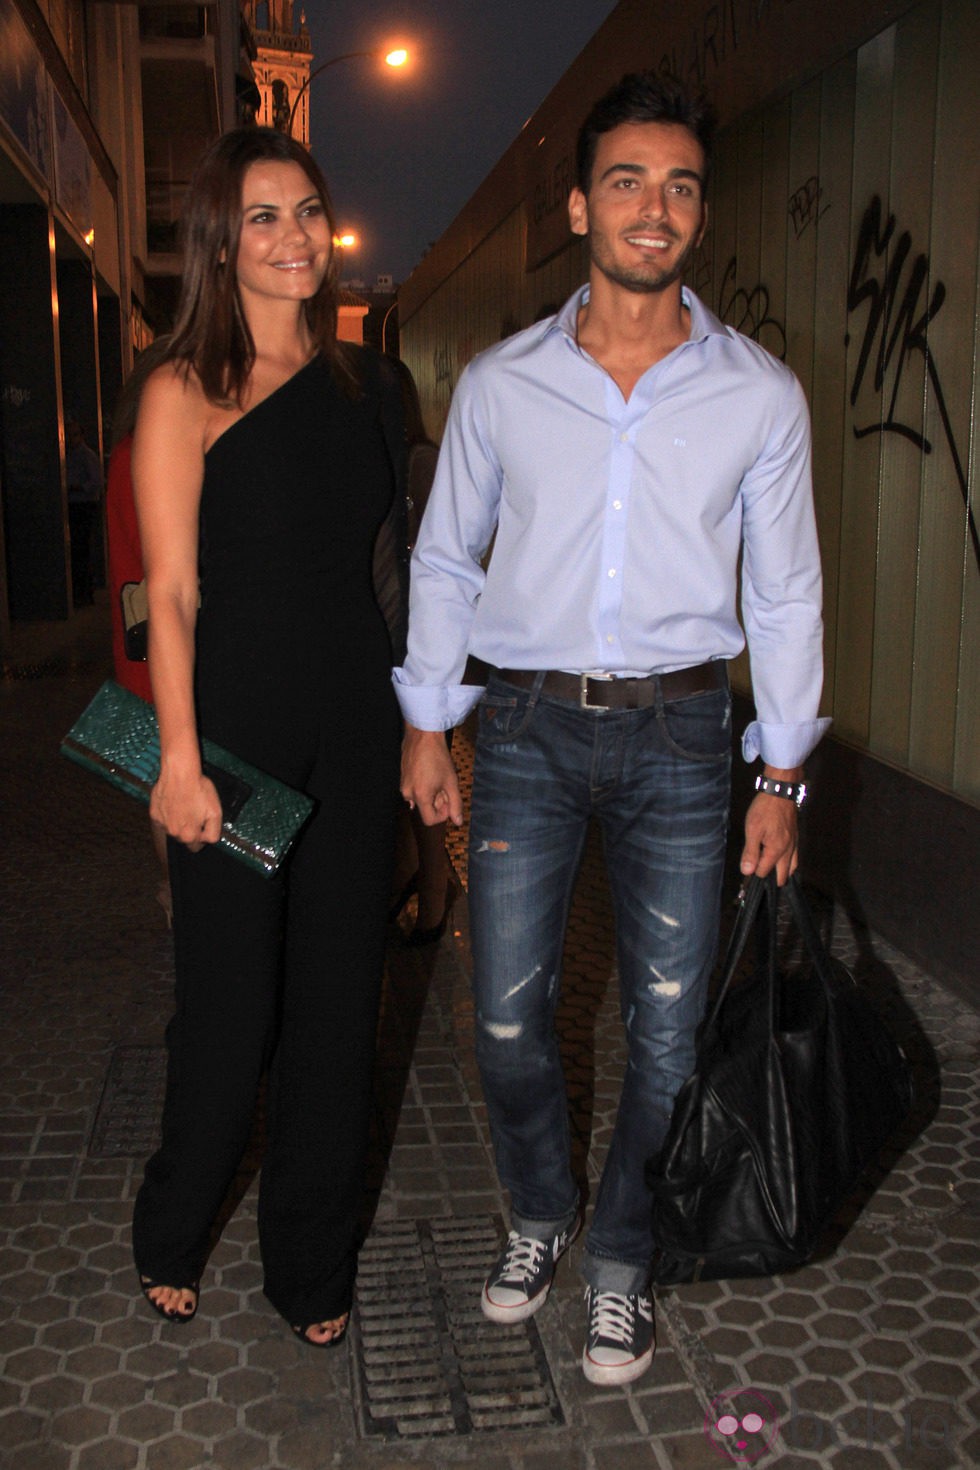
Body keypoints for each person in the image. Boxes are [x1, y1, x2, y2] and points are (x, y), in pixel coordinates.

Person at [396, 71, 830, 1387]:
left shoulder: (759, 395)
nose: (656, 207)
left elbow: (787, 586)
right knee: (510, 1018)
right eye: (629, 181)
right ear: (580, 204)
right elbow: (444, 561)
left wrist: (785, 775)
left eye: (681, 184)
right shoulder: (500, 384)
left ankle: (625, 1259)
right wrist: (430, 723)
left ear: (700, 213)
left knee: (665, 1021)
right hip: (523, 728)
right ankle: (542, 1211)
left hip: (686, 739)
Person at [130, 126, 406, 1347]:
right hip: (235, 752)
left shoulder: (371, 386)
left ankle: (310, 1264)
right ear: (219, 241)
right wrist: (176, 761)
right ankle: (172, 1226)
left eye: (308, 211)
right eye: (263, 217)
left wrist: (422, 736)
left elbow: (394, 577)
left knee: (340, 1008)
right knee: (235, 1010)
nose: (295, 237)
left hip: (352, 732)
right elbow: (169, 594)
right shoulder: (183, 387)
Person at [385, 355, 459, 945]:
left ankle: (435, 893)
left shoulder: (422, 461)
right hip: (391, 640)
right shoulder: (385, 459)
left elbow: (442, 559)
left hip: (424, 648)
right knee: (403, 777)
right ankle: (422, 879)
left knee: (426, 777)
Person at [105, 337, 175, 921]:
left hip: (139, 645)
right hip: (157, 641)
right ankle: (180, 894)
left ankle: (177, 892)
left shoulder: (124, 452)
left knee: (161, 782)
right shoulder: (144, 452)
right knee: (167, 782)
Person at [66, 417, 104, 605]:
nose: (71, 439)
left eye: (74, 435)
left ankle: (86, 593)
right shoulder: (68, 456)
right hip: (73, 506)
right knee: (76, 551)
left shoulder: (87, 456)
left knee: (83, 549)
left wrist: (78, 487)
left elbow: (96, 483)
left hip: (84, 506)